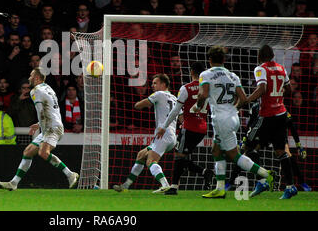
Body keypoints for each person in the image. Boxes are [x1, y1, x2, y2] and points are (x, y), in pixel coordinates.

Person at [196, 46, 274, 199]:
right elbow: (244, 99)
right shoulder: (233, 76)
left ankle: (265, 174)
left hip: (220, 120)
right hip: (233, 117)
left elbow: (203, 95)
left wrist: (198, 106)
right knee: (216, 150)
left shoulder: (205, 74)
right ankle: (219, 188)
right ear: (224, 60)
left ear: (209, 60)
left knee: (234, 155)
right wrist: (233, 109)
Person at [0, 67, 79, 190]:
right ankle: (14, 183)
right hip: (51, 125)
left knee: (43, 153)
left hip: (51, 128)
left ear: (36, 77)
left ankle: (70, 174)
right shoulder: (49, 88)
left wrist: (42, 125)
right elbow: (51, 109)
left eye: (31, 75)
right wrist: (39, 125)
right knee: (28, 152)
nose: (29, 78)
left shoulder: (35, 91)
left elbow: (41, 112)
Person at [244, 44, 298, 199]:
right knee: (281, 151)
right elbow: (288, 90)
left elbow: (262, 88)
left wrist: (246, 100)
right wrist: (277, 97)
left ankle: (262, 181)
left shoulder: (260, 69)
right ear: (273, 56)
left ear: (259, 57)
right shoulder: (281, 68)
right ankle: (290, 186)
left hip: (266, 115)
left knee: (249, 147)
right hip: (281, 113)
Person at [112, 74, 177, 194]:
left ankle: (165, 185)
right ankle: (126, 185)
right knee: (141, 155)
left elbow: (138, 105)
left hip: (162, 134)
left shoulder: (158, 94)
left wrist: (141, 103)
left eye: (155, 83)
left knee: (151, 161)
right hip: (172, 136)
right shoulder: (175, 98)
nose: (152, 85)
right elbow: (181, 118)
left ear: (164, 84)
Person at [226, 103, 311, 192]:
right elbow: (250, 125)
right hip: (262, 133)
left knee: (287, 154)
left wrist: (298, 145)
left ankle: (301, 183)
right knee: (247, 154)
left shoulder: (279, 107)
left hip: (276, 133)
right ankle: (231, 182)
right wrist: (244, 140)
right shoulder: (255, 108)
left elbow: (291, 126)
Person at [159, 62, 214, 195]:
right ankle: (205, 172)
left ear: (192, 72)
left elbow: (176, 111)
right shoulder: (209, 89)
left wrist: (164, 126)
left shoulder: (186, 88)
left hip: (189, 127)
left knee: (178, 156)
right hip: (202, 128)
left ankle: (173, 187)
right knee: (183, 157)